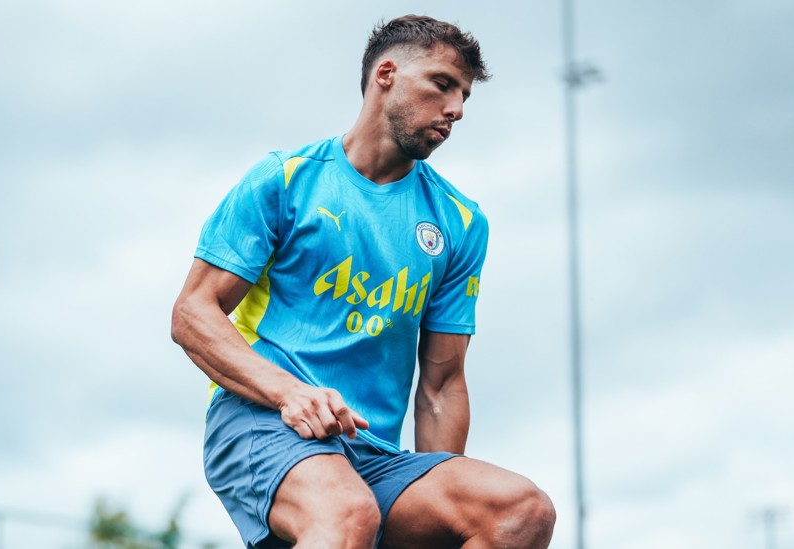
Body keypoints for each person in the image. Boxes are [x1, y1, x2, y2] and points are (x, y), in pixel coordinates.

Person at [172, 14, 556, 549]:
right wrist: (290, 393)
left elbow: (442, 386)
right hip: (262, 419)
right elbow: (193, 313)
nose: (456, 110)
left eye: (464, 95)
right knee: (347, 514)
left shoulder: (459, 223)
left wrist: (437, 505)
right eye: (442, 85)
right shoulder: (286, 179)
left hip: (373, 456)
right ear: (386, 75)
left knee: (519, 511)